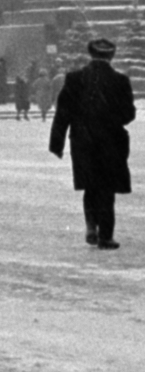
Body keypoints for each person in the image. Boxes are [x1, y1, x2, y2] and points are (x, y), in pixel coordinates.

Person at [49, 37, 134, 250]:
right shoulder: (120, 81)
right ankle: (105, 236)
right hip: (110, 143)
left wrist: (57, 143)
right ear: (111, 56)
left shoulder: (75, 79)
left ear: (91, 54)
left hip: (82, 142)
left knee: (90, 186)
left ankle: (91, 226)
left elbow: (63, 112)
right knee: (106, 190)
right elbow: (128, 114)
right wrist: (109, 119)